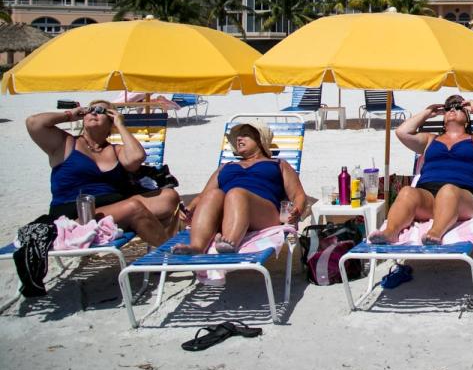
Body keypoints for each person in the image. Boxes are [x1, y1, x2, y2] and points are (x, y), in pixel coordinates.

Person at [26, 100, 180, 247]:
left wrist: (120, 125)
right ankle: (169, 253)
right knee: (134, 208)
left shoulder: (115, 149)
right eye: (90, 110)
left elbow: (137, 157)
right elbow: (34, 123)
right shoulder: (64, 143)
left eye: (101, 111)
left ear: (111, 121)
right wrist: (70, 115)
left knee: (169, 197)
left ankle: (154, 237)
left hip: (113, 207)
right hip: (76, 214)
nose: (94, 113)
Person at [369, 94, 473, 245]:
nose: (452, 109)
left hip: (465, 198)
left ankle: (435, 233)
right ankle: (390, 232)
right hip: (429, 197)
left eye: (459, 108)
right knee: (407, 192)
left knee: (448, 190)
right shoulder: (430, 140)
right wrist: (427, 112)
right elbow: (401, 132)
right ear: (443, 118)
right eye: (448, 108)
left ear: (467, 119)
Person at [172, 121, 308, 254]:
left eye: (245, 134)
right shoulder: (226, 166)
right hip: (226, 214)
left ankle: (230, 242)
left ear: (260, 140)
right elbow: (203, 196)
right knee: (213, 194)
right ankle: (197, 247)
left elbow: (298, 195)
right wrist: (189, 209)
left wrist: (297, 210)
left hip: (264, 214)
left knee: (236, 194)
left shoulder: (279, 164)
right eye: (237, 136)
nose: (239, 138)